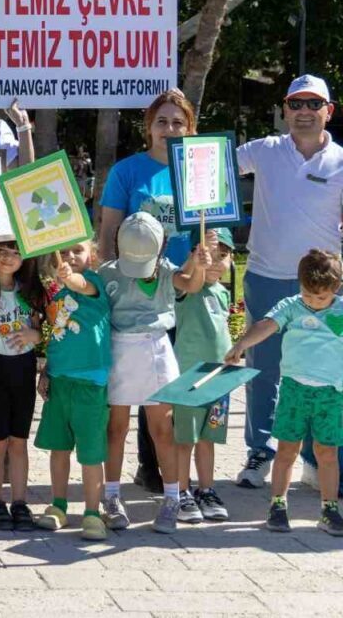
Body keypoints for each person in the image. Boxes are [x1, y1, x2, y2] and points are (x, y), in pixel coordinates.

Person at [234, 74, 343, 490]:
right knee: (263, 371)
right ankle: (260, 453)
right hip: (265, 276)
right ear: (284, 110)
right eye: (296, 103)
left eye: (313, 104)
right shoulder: (263, 150)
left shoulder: (341, 161)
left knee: (321, 371)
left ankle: (317, 460)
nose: (304, 112)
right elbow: (207, 166)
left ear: (328, 112)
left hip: (323, 290)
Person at [98, 88, 198, 493]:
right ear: (148, 128)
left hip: (185, 284)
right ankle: (145, 469)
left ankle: (172, 469)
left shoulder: (198, 171)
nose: (169, 128)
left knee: (169, 385)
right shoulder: (127, 171)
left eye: (177, 122)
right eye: (162, 121)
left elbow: (215, 228)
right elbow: (108, 231)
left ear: (189, 129)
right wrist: (106, 283)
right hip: (136, 291)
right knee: (134, 380)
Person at [98, 213, 209, 535]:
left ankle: (173, 497)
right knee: (115, 429)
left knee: (162, 429)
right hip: (118, 351)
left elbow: (191, 284)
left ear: (160, 248)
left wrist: (198, 264)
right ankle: (111, 496)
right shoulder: (107, 273)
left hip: (157, 351)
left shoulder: (164, 271)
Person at [226, 249, 343, 537]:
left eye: (321, 297)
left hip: (331, 393)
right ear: (299, 284)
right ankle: (278, 505)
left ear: (336, 288)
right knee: (286, 450)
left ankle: (329, 509)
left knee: (327, 452)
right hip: (294, 390)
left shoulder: (340, 310)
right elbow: (266, 325)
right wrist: (241, 345)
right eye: (308, 294)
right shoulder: (291, 306)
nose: (314, 302)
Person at [33, 239, 112, 541]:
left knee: (91, 452)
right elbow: (57, 335)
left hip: (90, 384)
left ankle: (92, 512)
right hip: (60, 380)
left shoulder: (93, 283)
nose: (69, 256)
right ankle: (58, 505)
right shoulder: (56, 294)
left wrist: (71, 277)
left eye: (77, 250)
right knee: (59, 447)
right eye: (63, 251)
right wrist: (47, 371)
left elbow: (81, 285)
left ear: (92, 255)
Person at [0, 243, 46, 531]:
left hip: (23, 369)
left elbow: (49, 329)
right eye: (1, 251)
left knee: (19, 441)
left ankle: (19, 501)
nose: (7, 257)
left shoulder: (30, 292)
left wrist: (36, 335)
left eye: (15, 251)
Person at [172, 227, 236, 525]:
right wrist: (195, 259)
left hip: (219, 377)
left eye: (221, 256)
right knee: (185, 438)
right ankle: (181, 491)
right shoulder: (189, 287)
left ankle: (206, 489)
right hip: (189, 378)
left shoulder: (223, 293)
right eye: (208, 256)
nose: (214, 262)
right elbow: (183, 280)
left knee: (209, 437)